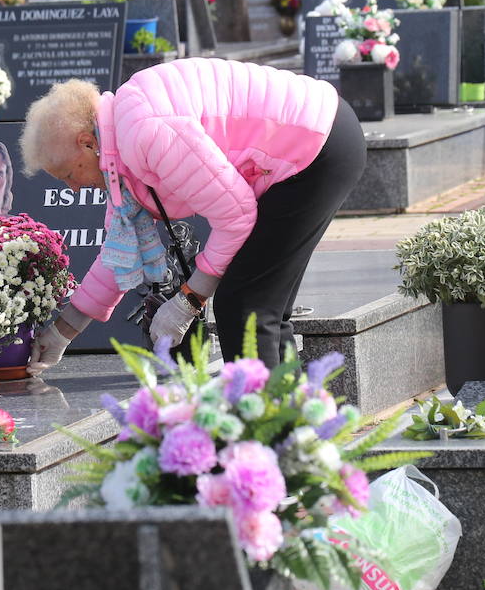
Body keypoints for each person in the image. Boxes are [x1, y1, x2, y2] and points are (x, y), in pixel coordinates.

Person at [18, 59, 365, 374]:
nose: (74, 188)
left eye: (66, 174)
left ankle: (265, 435)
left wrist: (188, 299)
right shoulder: (116, 143)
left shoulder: (143, 132)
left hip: (315, 147)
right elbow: (119, 252)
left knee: (243, 306)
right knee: (260, 310)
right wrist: (62, 331)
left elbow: (236, 216)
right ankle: (290, 426)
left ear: (84, 143)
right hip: (315, 141)